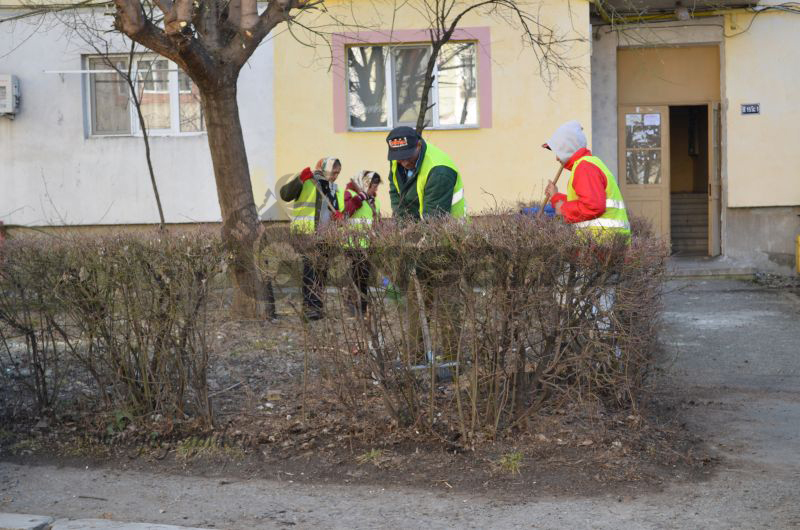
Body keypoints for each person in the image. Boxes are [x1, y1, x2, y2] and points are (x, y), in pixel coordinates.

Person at [280, 157, 345, 320]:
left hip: (325, 237)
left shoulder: (332, 188)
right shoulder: (308, 181)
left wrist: (337, 216)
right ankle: (310, 310)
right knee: (310, 272)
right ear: (325, 169)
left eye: (338, 173)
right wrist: (300, 178)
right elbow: (285, 194)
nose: (336, 176)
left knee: (322, 273)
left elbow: (331, 210)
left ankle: (318, 307)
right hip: (306, 235)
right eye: (333, 172)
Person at [543, 121, 630, 239]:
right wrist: (555, 197)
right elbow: (583, 202)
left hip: (601, 243)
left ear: (567, 148)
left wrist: (563, 208)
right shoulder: (588, 164)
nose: (557, 158)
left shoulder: (584, 167)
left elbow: (592, 207)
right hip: (606, 242)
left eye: (558, 152)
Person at [386, 126, 466, 220]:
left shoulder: (439, 172)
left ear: (419, 145)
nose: (405, 162)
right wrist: (400, 227)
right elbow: (396, 194)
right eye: (400, 157)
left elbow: (434, 219)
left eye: (408, 156)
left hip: (450, 230)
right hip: (418, 225)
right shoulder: (396, 161)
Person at [343, 171, 382, 316]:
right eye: (374, 187)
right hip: (353, 243)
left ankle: (362, 307)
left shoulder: (373, 200)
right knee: (357, 276)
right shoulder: (350, 194)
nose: (376, 190)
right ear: (366, 184)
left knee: (364, 276)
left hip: (368, 243)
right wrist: (359, 199)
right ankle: (355, 306)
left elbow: (375, 220)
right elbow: (345, 213)